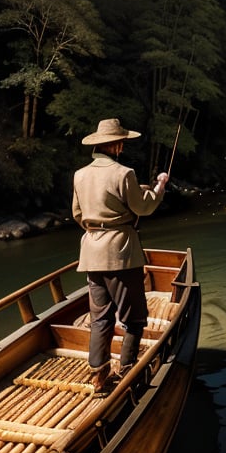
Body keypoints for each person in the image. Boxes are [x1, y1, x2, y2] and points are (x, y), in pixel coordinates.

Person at [72, 117, 169, 393]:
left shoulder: (79, 175)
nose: (123, 146)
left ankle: (99, 377)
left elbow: (78, 214)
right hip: (121, 253)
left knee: (100, 317)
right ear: (114, 145)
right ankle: (128, 371)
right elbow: (143, 208)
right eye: (122, 142)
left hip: (91, 252)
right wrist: (159, 187)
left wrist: (96, 232)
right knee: (135, 318)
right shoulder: (124, 173)